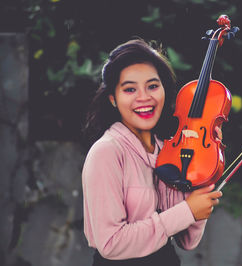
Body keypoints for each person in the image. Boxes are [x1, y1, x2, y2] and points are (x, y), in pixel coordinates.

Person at [81, 38, 223, 266]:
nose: (144, 97)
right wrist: (187, 210)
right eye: (129, 89)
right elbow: (110, 243)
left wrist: (204, 170)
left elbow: (187, 240)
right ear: (113, 99)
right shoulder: (107, 152)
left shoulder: (167, 151)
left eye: (153, 86)